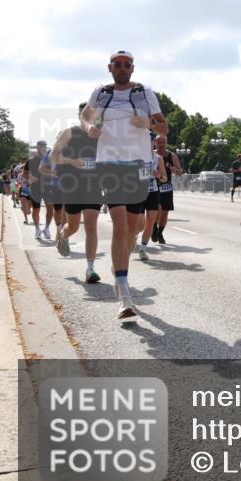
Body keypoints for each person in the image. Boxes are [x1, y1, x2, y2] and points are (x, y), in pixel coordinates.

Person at [80, 50, 168, 323]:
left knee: (135, 226)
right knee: (119, 223)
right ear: (109, 68)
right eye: (117, 65)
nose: (122, 68)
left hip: (138, 163)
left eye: (126, 65)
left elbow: (163, 126)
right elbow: (85, 117)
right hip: (109, 163)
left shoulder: (144, 92)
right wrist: (89, 129)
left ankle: (120, 267)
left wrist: (148, 123)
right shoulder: (101, 92)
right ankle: (124, 296)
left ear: (132, 68)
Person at [52, 103, 102, 282]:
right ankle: (64, 236)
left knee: (91, 226)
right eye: (85, 113)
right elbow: (53, 157)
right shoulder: (69, 133)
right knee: (73, 226)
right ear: (80, 114)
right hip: (72, 186)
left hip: (93, 186)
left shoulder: (100, 135)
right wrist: (73, 161)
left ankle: (90, 269)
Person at [136, 148, 167, 261]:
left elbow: (165, 178)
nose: (149, 142)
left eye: (151, 140)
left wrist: (159, 176)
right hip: (138, 192)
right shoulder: (136, 155)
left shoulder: (158, 159)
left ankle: (143, 249)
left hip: (152, 192)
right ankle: (134, 235)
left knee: (151, 221)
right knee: (139, 224)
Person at [152, 135, 182, 244]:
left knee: (164, 213)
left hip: (167, 187)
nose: (161, 145)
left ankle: (159, 233)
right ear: (155, 143)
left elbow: (180, 173)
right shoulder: (151, 155)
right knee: (157, 209)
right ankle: (154, 228)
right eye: (159, 142)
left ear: (166, 143)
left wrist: (175, 170)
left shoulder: (172, 156)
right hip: (154, 186)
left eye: (163, 142)